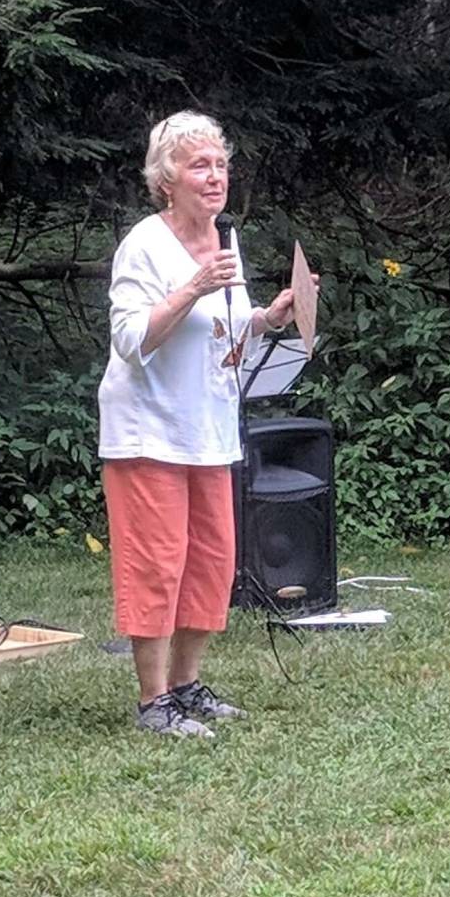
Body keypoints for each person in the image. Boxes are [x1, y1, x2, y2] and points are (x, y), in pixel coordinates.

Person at [98, 113, 298, 736]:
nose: (215, 178)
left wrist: (268, 318)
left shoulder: (225, 237)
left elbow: (222, 331)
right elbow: (132, 338)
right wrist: (190, 287)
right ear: (167, 180)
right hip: (148, 431)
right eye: (199, 166)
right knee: (157, 563)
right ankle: (153, 702)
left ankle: (187, 687)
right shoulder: (146, 244)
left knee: (211, 563)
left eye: (221, 165)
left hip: (209, 432)